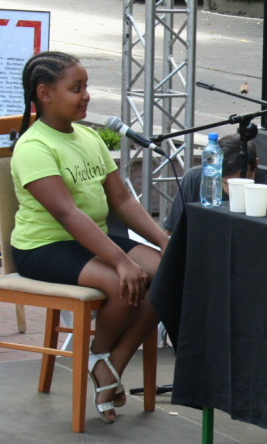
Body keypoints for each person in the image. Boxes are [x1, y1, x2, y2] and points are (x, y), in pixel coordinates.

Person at [11, 51, 169, 424]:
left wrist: (164, 241)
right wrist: (120, 260)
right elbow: (67, 214)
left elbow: (122, 199)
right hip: (44, 247)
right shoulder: (34, 147)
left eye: (86, 87)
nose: (86, 96)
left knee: (168, 271)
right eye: (76, 88)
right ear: (45, 93)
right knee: (122, 283)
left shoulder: (88, 136)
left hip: (90, 237)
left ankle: (109, 361)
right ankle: (102, 361)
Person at [163, 134, 267, 234]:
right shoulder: (194, 178)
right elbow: (172, 232)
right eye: (227, 183)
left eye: (241, 183)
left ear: (255, 165)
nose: (231, 191)